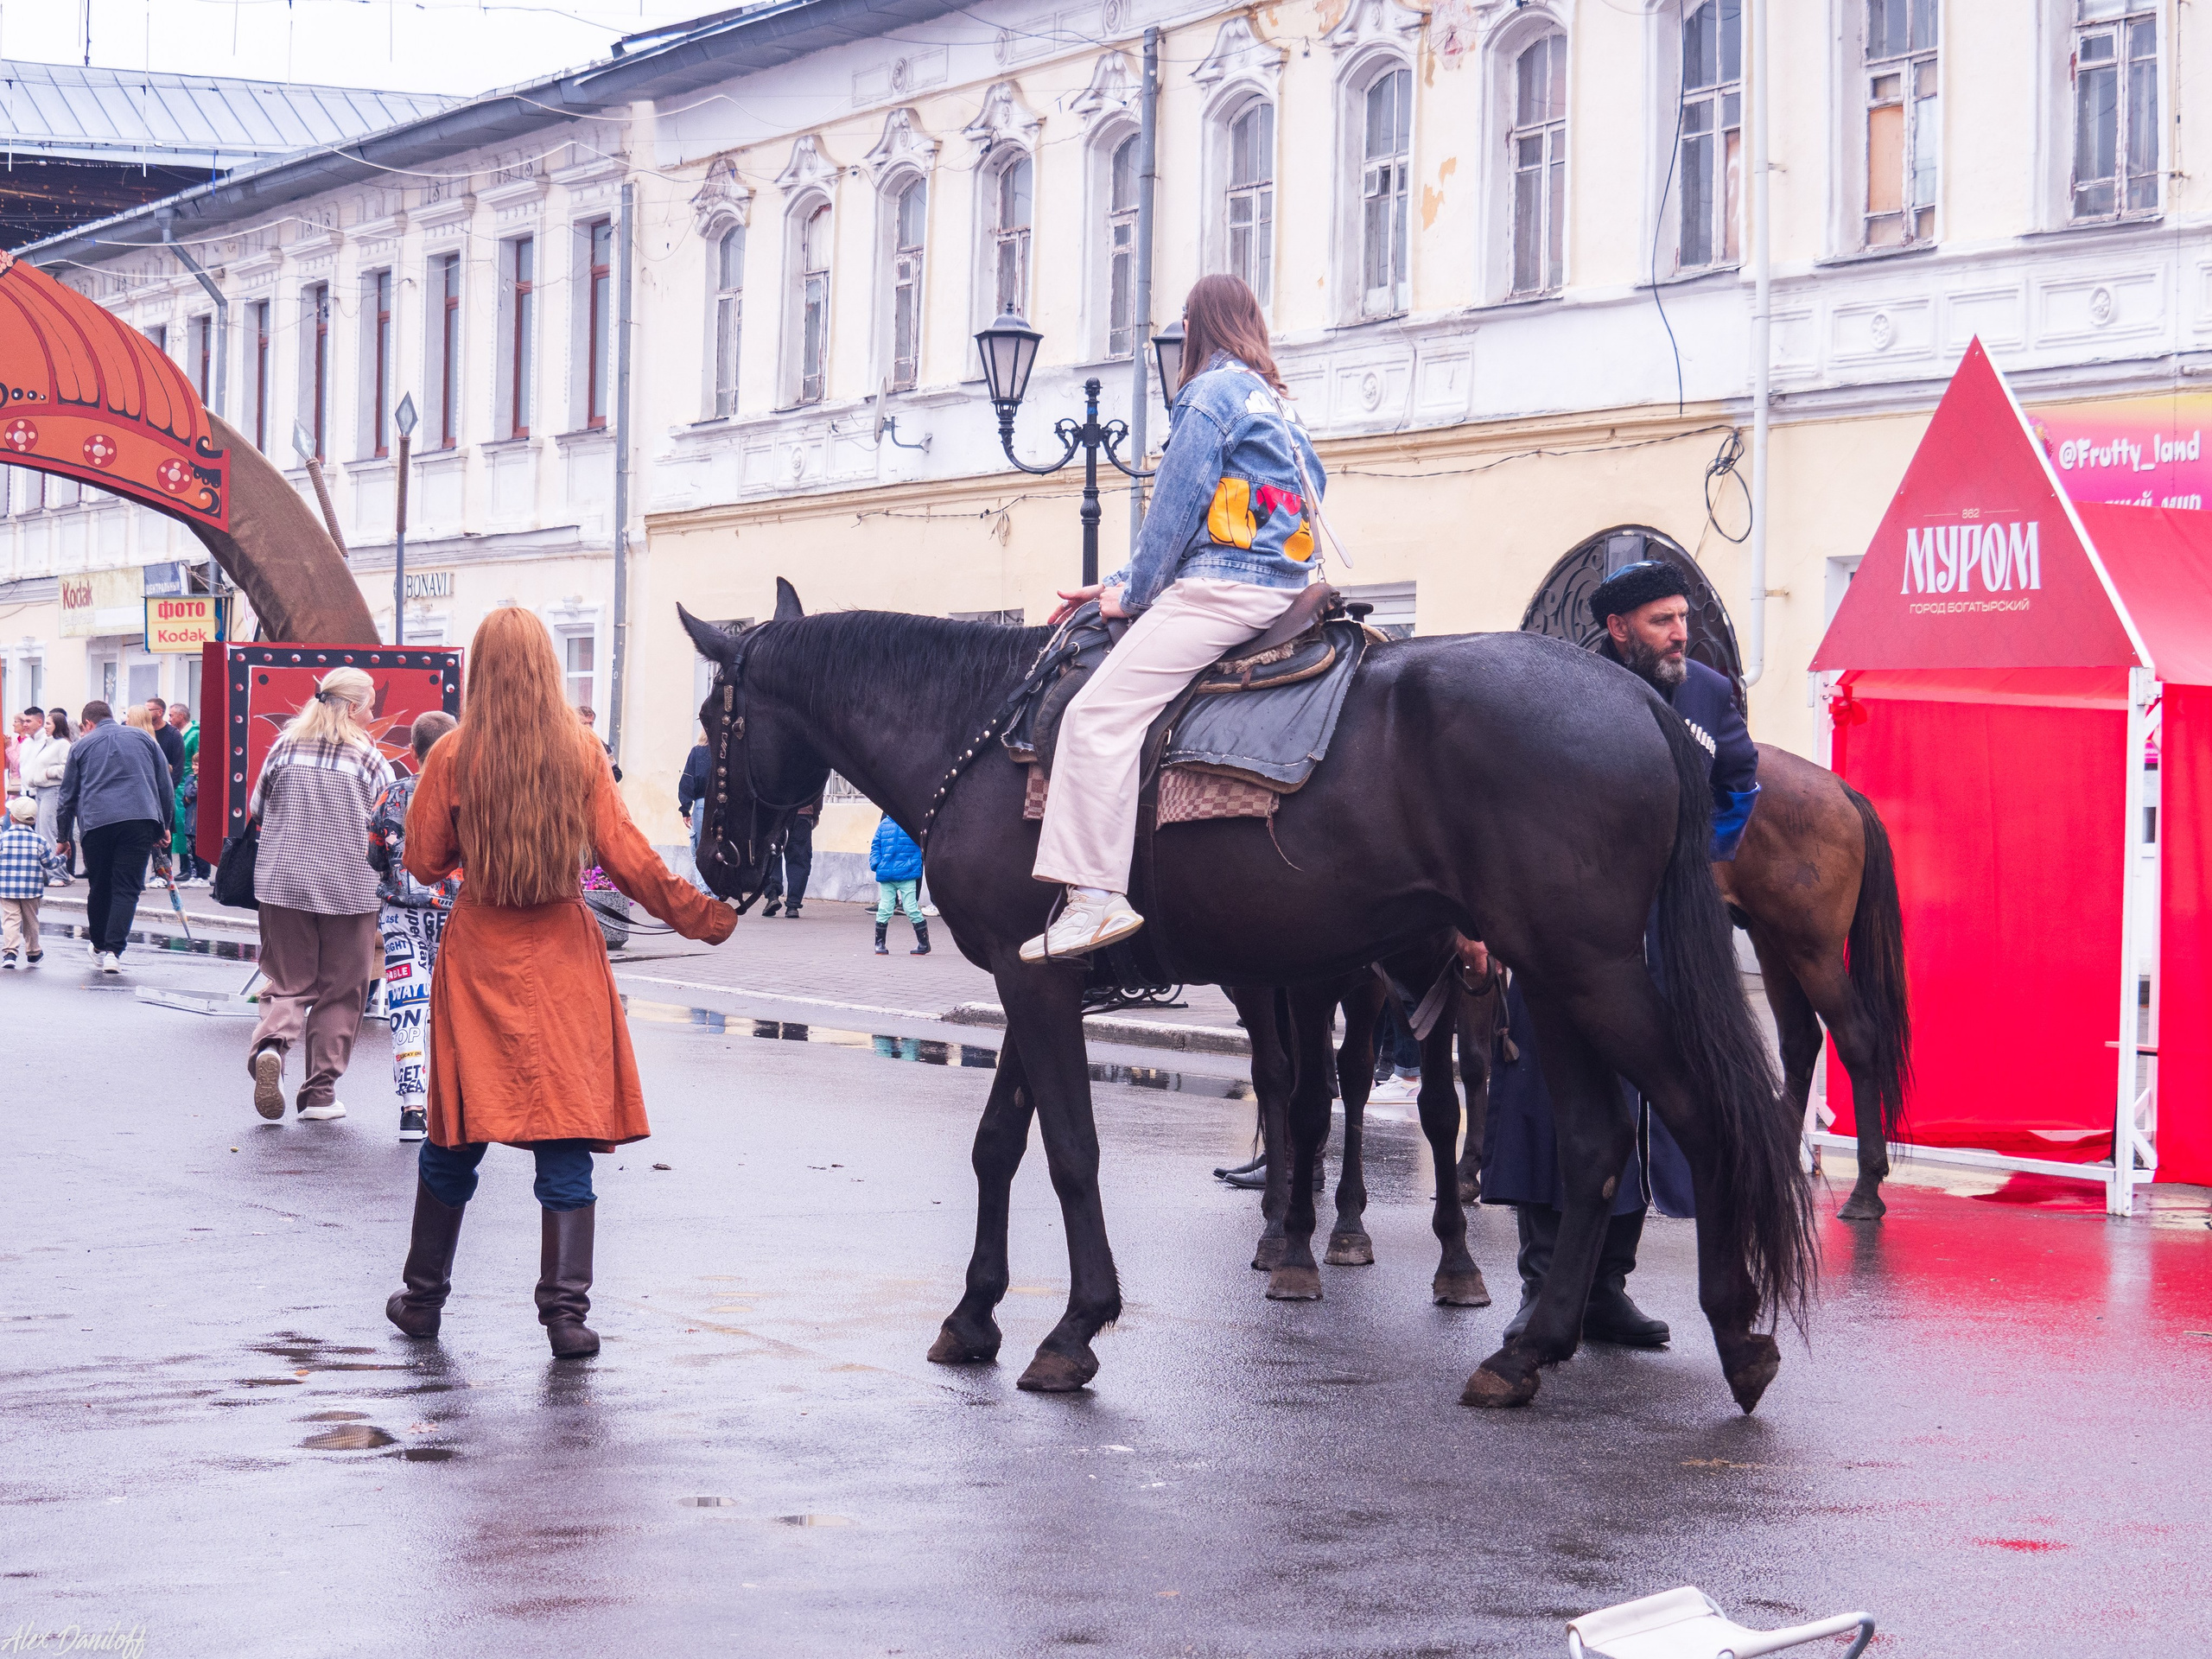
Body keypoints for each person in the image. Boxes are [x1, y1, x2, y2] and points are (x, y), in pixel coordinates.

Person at [385, 607, 735, 1359]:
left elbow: (421, 861)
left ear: (480, 669)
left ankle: (422, 1300)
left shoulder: (451, 754)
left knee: (457, 1130)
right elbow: (631, 859)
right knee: (565, 1131)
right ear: (548, 667)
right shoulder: (580, 751)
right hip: (563, 957)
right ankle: (566, 1318)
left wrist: (473, 857)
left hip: (480, 951)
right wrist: (702, 917)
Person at [1480, 560, 1761, 1349]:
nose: (1680, 634)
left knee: (1647, 1109)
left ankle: (1605, 1289)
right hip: (1566, 928)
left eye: (1683, 618)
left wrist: (1701, 860)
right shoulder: (1560, 690)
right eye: (1661, 621)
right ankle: (1544, 1286)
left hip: (1670, 932)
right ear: (1617, 628)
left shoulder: (1709, 692)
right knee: (1556, 1098)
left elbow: (1740, 781)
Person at [1023, 274, 1324, 963]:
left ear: (1194, 327)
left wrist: (1133, 595)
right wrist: (1117, 583)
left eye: (1185, 324)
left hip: (1225, 591)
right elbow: (1306, 494)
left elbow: (1176, 510)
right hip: (1288, 588)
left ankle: (1094, 898)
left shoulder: (1209, 395)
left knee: (1094, 718)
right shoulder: (1277, 402)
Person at [244, 667, 395, 1125]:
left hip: (283, 881)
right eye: (370, 706)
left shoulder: (284, 747)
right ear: (353, 707)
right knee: (342, 989)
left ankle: (271, 1046)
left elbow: (257, 810)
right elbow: (387, 827)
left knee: (288, 980)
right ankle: (320, 1094)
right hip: (350, 887)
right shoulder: (371, 760)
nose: (373, 715)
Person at [368, 710, 461, 1145]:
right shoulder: (469, 794)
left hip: (400, 917)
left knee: (408, 1007)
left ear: (412, 750)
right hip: (458, 919)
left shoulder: (390, 796)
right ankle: (457, 1106)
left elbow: (375, 857)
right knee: (458, 1011)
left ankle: (412, 1109)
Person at [55, 701, 172, 973]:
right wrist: (163, 825)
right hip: (139, 820)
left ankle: (98, 945)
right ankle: (113, 952)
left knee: (100, 886)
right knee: (127, 888)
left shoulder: (80, 746)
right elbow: (163, 784)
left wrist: (63, 836)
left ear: (88, 723)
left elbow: (67, 796)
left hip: (97, 822)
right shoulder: (144, 738)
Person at [0, 793, 68, 967]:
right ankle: (33, 953)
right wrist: (64, 857)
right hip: (31, 890)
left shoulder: (2, 839)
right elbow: (50, 864)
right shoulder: (40, 840)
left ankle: (10, 954)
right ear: (33, 820)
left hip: (7, 889)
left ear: (11, 817)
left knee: (10, 920)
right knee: (31, 921)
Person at [869, 813, 928, 956]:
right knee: (884, 909)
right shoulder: (884, 824)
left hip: (907, 875)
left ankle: (924, 943)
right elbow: (876, 845)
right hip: (887, 875)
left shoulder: (911, 825)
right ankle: (879, 943)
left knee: (910, 908)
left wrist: (914, 864)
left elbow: (921, 846)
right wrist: (876, 863)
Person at [762, 788, 821, 918]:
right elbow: (818, 789)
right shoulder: (808, 772)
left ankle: (772, 896)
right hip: (802, 815)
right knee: (799, 859)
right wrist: (815, 813)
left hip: (775, 813)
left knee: (771, 855)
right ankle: (793, 906)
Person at [168, 703, 207, 884]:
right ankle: (186, 868)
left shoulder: (194, 734)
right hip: (181, 785)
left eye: (172, 715)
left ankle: (192, 870)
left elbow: (198, 759)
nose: (169, 719)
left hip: (188, 785)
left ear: (181, 716)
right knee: (181, 827)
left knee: (188, 828)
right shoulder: (181, 734)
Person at [677, 729, 711, 892]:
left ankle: (706, 890)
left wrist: (685, 809)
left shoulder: (698, 752)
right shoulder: (727, 753)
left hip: (702, 803)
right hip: (726, 804)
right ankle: (717, 891)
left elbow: (688, 781)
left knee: (698, 850)